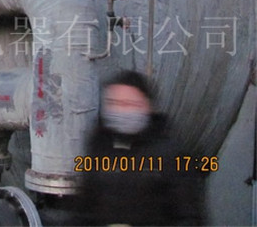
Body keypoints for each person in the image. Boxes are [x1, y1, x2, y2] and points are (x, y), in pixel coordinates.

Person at [75, 70, 204, 226]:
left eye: (129, 104)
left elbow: (189, 216)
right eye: (114, 103)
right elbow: (82, 209)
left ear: (147, 106)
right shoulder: (98, 146)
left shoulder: (170, 154)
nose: (121, 111)